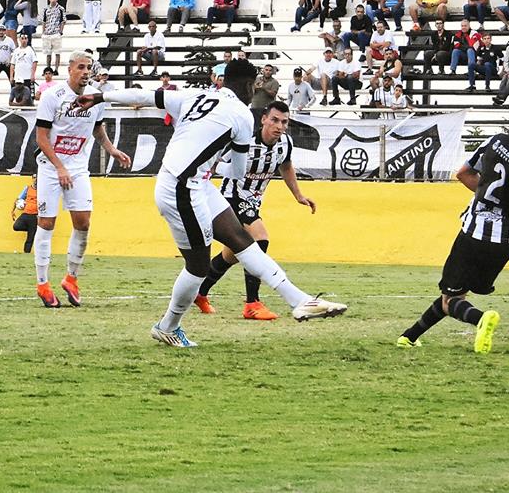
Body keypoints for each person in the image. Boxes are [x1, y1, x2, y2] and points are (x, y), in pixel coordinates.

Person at [72, 58, 348, 347]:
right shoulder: (242, 116)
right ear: (247, 85)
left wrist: (99, 96)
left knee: (242, 240)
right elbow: (239, 173)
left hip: (195, 182)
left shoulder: (195, 95)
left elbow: (142, 95)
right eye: (254, 86)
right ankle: (168, 325)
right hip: (181, 188)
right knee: (198, 266)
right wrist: (225, 160)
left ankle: (300, 300)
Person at [397, 105, 509, 351]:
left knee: (451, 298)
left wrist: (489, 195)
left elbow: (463, 174)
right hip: (504, 242)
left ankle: (481, 319)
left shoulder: (495, 141)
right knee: (454, 295)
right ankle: (409, 337)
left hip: (474, 234)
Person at [194, 101, 316, 320]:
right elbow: (214, 159)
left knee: (230, 256)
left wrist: (299, 195)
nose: (279, 126)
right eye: (275, 120)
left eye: (284, 122)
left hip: (253, 203)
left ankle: (200, 293)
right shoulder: (243, 141)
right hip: (231, 198)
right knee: (260, 238)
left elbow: (286, 166)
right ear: (264, 120)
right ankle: (252, 303)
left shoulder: (285, 143)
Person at [32, 50, 131, 309]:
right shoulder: (53, 96)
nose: (86, 72)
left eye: (89, 67)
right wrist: (59, 167)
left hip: (77, 168)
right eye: (82, 67)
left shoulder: (96, 97)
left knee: (83, 222)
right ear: (70, 69)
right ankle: (42, 283)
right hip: (51, 168)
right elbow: (41, 138)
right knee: (46, 223)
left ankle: (71, 278)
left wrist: (111, 149)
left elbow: (98, 128)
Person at [12, 174, 39, 253]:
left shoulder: (42, 190)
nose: (36, 179)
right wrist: (12, 211)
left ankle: (26, 254)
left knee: (30, 238)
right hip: (26, 214)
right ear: (32, 179)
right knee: (16, 226)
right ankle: (31, 229)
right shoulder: (27, 189)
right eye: (34, 178)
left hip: (35, 216)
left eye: (37, 178)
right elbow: (18, 199)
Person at [40, 0, 66, 72]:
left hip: (56, 33)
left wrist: (61, 31)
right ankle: (48, 68)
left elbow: (63, 20)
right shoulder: (46, 9)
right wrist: (43, 32)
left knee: (57, 52)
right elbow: (44, 21)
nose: (53, 0)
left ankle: (56, 69)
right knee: (48, 53)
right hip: (47, 33)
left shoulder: (61, 9)